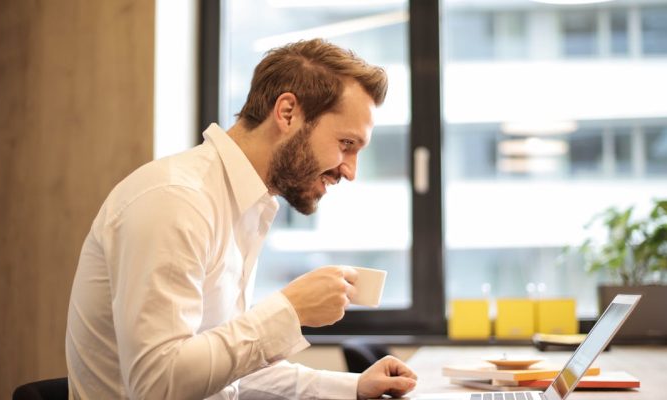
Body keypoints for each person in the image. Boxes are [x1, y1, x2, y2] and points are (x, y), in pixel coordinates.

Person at [65, 38, 418, 399]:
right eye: (346, 144)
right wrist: (289, 310)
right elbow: (159, 384)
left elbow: (223, 372)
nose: (350, 170)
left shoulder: (245, 205)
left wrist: (353, 386)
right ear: (287, 113)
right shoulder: (175, 200)